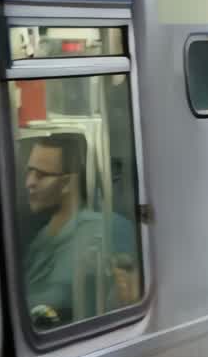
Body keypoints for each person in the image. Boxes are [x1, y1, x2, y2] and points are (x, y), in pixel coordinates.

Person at [23, 133, 138, 328]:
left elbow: (129, 297)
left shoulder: (108, 229)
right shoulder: (40, 239)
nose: (29, 183)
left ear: (68, 183)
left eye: (41, 175)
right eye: (29, 172)